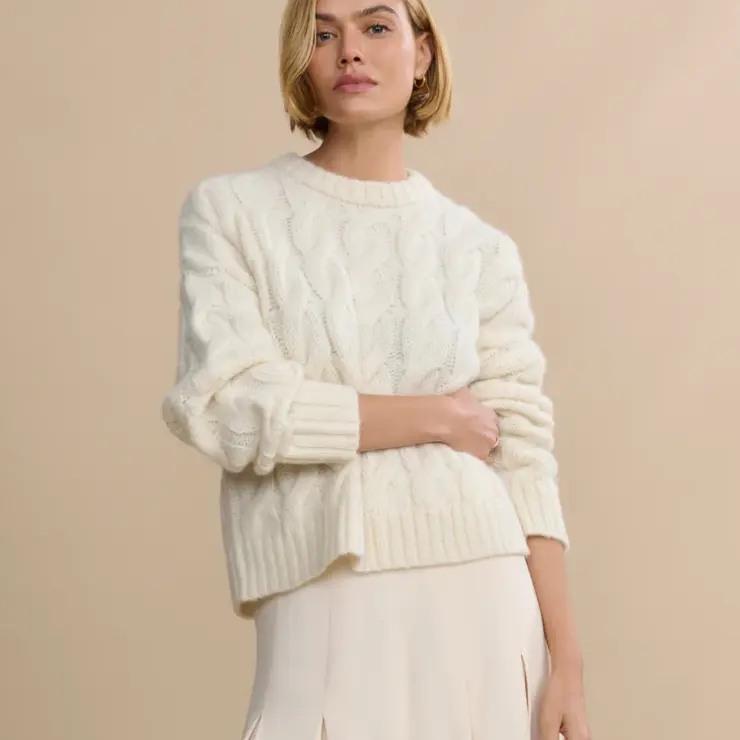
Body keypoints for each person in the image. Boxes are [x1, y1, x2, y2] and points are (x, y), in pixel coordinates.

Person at [160, 0, 591, 738]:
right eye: (323, 32)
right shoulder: (232, 211)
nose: (350, 51)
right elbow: (229, 407)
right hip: (323, 584)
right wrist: (435, 418)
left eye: (376, 26)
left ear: (422, 54)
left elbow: (522, 456)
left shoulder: (478, 248)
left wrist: (568, 662)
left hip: (486, 583)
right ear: (301, 57)